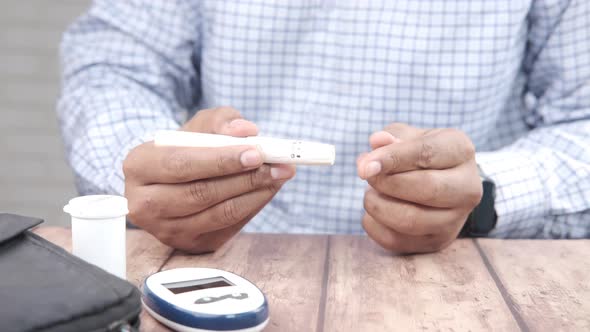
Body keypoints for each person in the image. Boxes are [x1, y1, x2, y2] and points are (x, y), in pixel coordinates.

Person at [58, 0, 590, 254]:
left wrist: (485, 193)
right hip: (218, 271)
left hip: (463, 272)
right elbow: (113, 65)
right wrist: (145, 166)